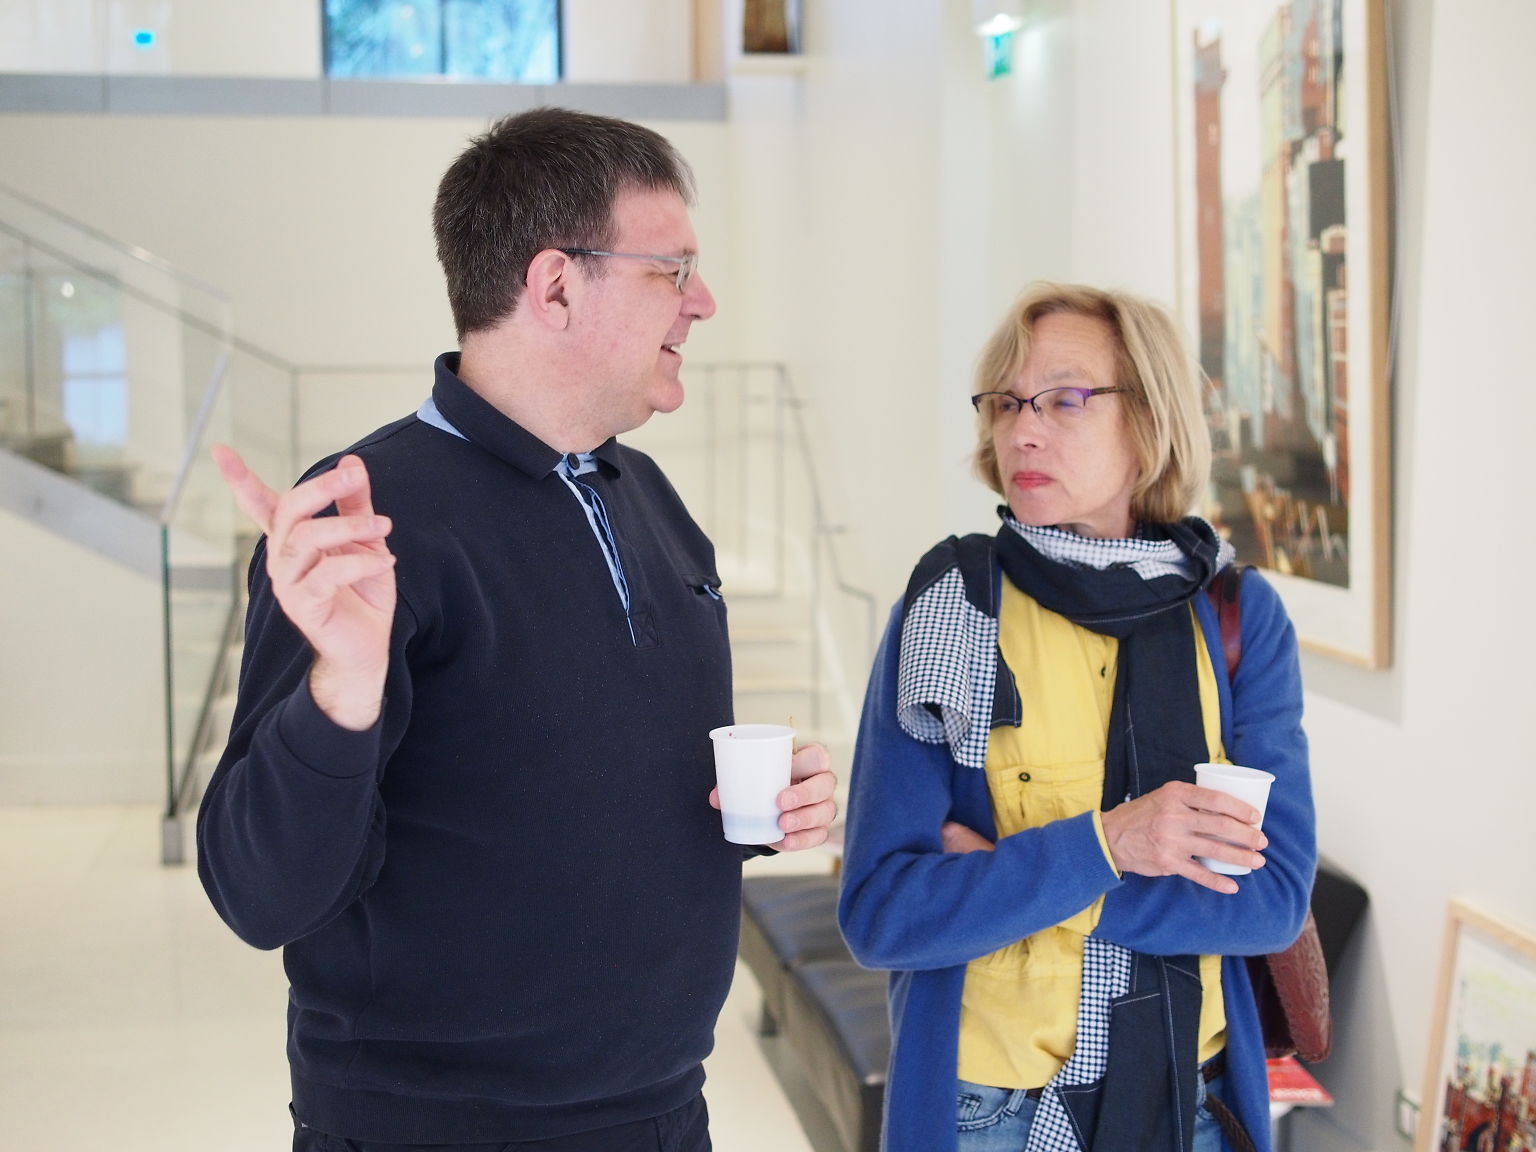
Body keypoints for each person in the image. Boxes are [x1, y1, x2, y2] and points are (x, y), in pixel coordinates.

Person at [197, 106, 838, 1152]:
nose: (703, 301)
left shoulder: (649, 498)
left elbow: (580, 782)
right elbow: (259, 895)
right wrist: (339, 693)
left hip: (660, 1111)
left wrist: (762, 810)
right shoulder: (364, 520)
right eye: (672, 270)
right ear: (555, 286)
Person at [837, 282, 1314, 1152]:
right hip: (992, 1117)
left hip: (1193, 1108)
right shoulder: (952, 609)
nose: (1022, 431)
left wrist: (1040, 883)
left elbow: (1271, 903)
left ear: (1150, 422)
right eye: (1007, 402)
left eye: (1064, 400)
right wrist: (1111, 845)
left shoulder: (1238, 617)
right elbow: (884, 913)